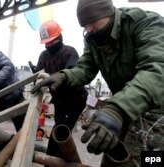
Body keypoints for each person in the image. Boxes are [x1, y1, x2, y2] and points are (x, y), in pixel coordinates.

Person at [31, 0, 164, 166]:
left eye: (92, 22)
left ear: (106, 12)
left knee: (150, 161)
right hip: (122, 110)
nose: (89, 29)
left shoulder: (144, 24)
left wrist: (117, 109)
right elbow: (86, 68)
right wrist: (65, 76)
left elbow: (157, 71)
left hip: (155, 114)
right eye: (85, 25)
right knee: (114, 159)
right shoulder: (93, 39)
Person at [34, 20, 88, 161]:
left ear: (59, 37)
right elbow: (39, 74)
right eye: (47, 43)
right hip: (59, 101)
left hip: (75, 100)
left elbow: (72, 73)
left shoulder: (69, 52)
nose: (49, 45)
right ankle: (66, 161)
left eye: (52, 41)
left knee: (57, 134)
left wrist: (54, 76)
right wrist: (36, 75)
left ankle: (51, 162)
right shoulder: (43, 56)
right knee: (62, 134)